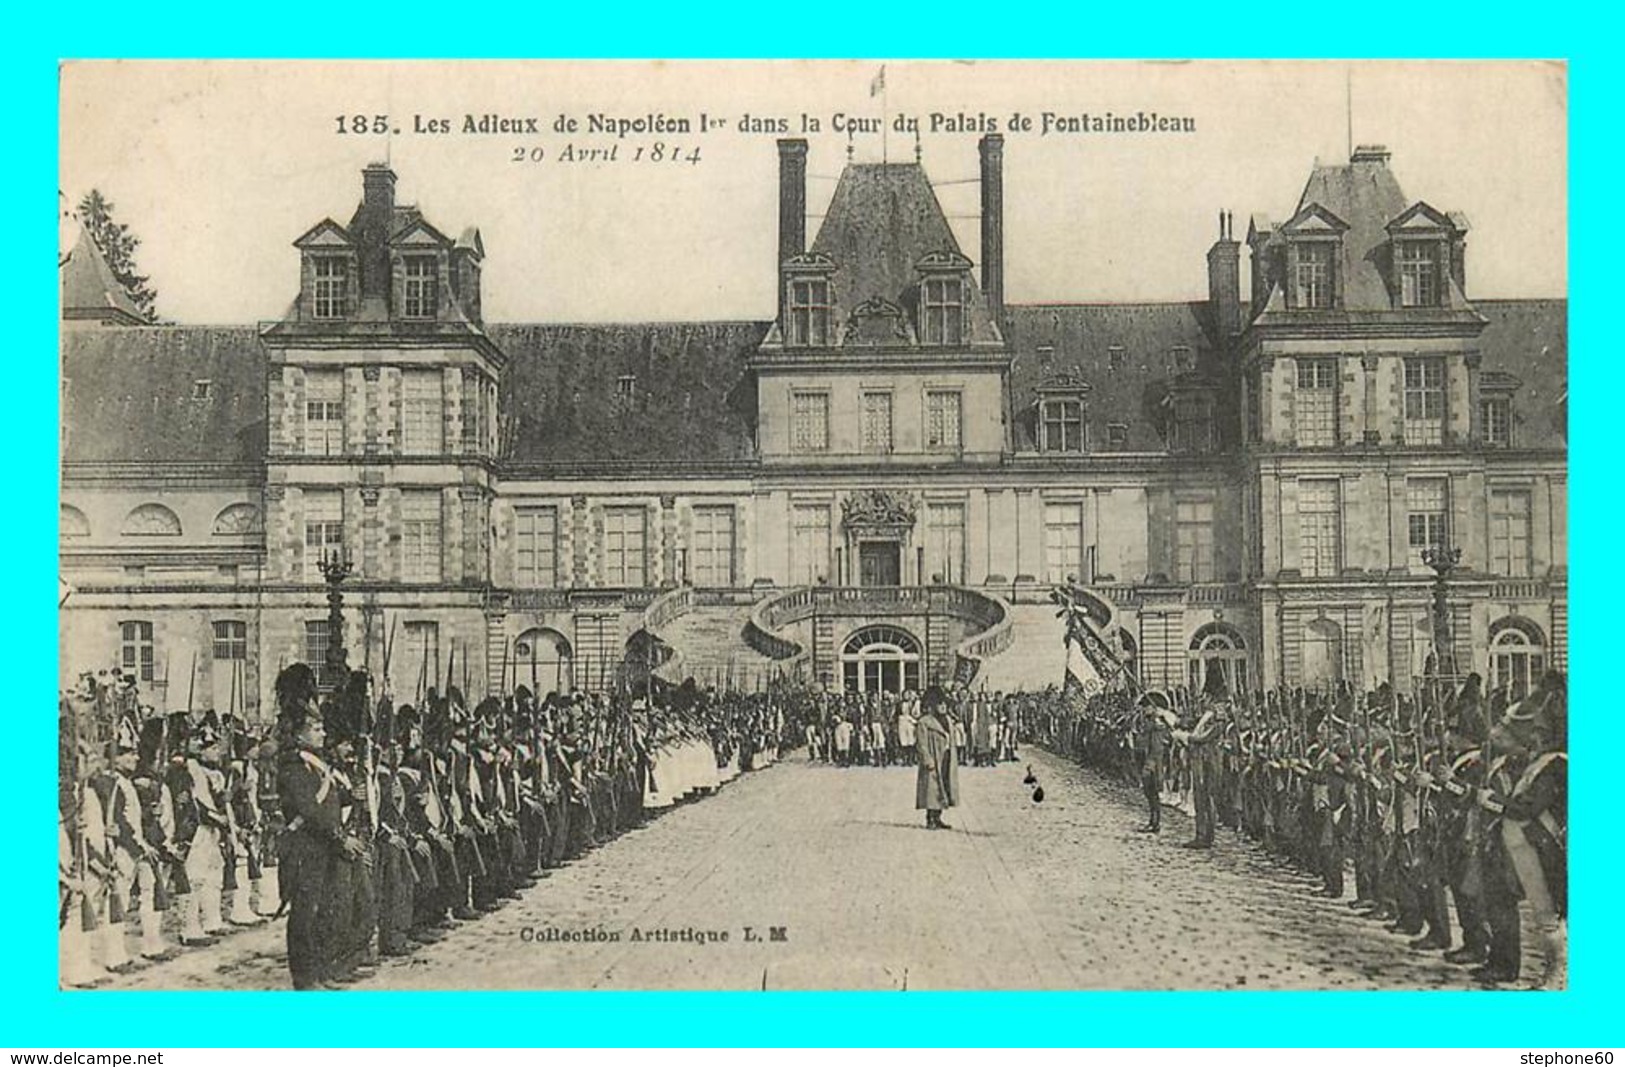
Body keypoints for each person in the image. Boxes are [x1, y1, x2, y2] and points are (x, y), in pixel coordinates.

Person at [275, 663, 366, 990]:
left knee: (325, 909)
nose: (323, 734)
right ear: (300, 732)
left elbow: (329, 803)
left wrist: (348, 801)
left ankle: (322, 969)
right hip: (304, 847)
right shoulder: (292, 763)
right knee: (305, 913)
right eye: (316, 730)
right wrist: (339, 836)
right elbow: (309, 809)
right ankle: (304, 977)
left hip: (322, 845)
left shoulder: (317, 762)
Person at [914, 688, 959, 830]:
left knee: (943, 787)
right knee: (931, 790)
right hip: (933, 759)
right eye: (940, 704)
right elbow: (921, 744)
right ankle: (930, 818)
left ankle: (938, 817)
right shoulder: (924, 722)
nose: (943, 707)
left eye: (945, 704)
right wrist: (927, 759)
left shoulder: (947, 720)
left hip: (946, 757)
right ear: (933, 706)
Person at [1135, 692, 1172, 833]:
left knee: (1152, 792)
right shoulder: (1149, 722)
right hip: (1148, 758)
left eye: (1147, 707)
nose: (1144, 710)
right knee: (1149, 792)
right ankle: (1153, 821)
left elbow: (1159, 745)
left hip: (1155, 761)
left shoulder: (1159, 724)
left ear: (1154, 708)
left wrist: (1149, 765)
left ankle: (1155, 822)